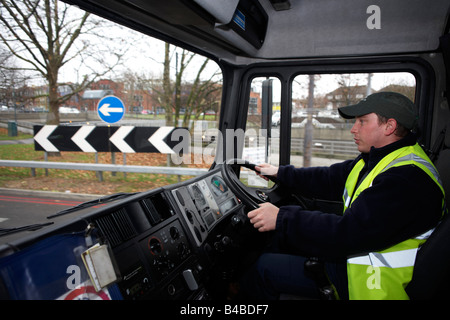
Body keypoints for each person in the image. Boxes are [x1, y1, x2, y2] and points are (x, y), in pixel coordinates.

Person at [240, 92, 446, 300]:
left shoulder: (407, 179)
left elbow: (348, 231)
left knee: (264, 268)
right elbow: (330, 178)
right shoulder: (379, 159)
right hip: (354, 260)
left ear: (389, 126)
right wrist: (280, 173)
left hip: (372, 284)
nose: (353, 129)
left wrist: (281, 218)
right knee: (278, 243)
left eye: (362, 121)